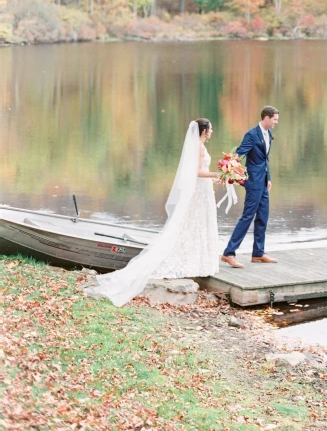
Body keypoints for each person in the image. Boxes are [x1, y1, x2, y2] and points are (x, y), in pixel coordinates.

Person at [84, 118, 219, 307]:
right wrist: (217, 174)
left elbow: (201, 171)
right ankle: (192, 258)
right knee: (192, 224)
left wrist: (214, 179)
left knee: (196, 224)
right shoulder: (198, 147)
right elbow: (196, 172)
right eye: (211, 128)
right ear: (204, 131)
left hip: (202, 190)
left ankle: (199, 258)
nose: (212, 131)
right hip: (198, 192)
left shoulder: (199, 146)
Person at [221, 105, 279, 268]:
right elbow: (239, 154)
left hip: (263, 182)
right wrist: (229, 169)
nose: (276, 122)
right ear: (266, 118)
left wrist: (268, 177)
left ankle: (258, 253)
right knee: (247, 217)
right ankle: (228, 253)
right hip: (253, 182)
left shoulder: (269, 133)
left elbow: (265, 159)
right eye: (275, 119)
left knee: (263, 216)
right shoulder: (252, 135)